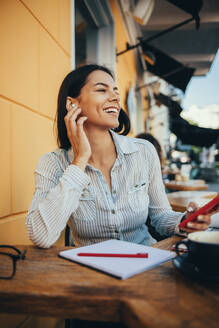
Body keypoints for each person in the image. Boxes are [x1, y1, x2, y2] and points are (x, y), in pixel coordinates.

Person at [26, 64, 215, 249]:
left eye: (115, 91)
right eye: (102, 90)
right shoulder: (53, 163)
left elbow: (160, 216)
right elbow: (41, 236)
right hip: (90, 271)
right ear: (72, 104)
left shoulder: (144, 152)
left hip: (146, 262)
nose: (115, 97)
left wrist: (185, 221)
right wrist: (80, 161)